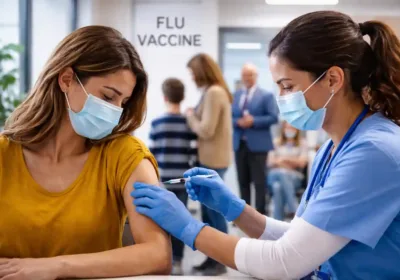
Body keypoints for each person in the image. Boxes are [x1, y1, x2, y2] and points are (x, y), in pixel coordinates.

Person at [131, 11, 400, 279]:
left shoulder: (374, 152)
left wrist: (189, 228)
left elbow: (285, 261)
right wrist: (236, 210)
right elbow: (301, 237)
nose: (282, 98)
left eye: (288, 86)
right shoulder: (333, 149)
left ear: (333, 79)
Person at [0, 26, 171, 279]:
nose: (115, 112)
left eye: (122, 102)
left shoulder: (125, 156)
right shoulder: (4, 155)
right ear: (66, 79)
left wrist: (55, 267)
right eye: (108, 96)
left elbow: (158, 255)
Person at [184, 53, 233, 275]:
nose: (192, 77)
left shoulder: (214, 92)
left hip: (214, 160)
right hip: (210, 159)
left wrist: (190, 116)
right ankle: (212, 257)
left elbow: (206, 129)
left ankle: (221, 260)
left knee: (214, 213)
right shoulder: (212, 92)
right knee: (207, 213)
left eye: (193, 72)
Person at [149, 78, 197, 275]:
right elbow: (193, 154)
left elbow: (151, 155)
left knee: (161, 221)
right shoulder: (189, 125)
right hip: (182, 179)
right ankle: (177, 261)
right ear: (183, 97)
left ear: (165, 97)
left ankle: (162, 259)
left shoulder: (157, 123)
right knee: (180, 219)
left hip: (163, 180)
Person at [232, 63, 278, 215]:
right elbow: (230, 118)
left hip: (259, 145)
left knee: (259, 182)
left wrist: (254, 121)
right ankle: (245, 216)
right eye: (244, 75)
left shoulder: (266, 96)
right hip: (240, 144)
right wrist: (238, 122)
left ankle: (261, 216)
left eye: (250, 75)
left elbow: (273, 117)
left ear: (256, 76)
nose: (247, 78)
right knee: (242, 181)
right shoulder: (237, 95)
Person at [267, 121, 308, 220]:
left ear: (297, 130)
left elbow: (302, 162)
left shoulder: (302, 143)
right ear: (283, 129)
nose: (289, 130)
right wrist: (292, 162)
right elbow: (270, 162)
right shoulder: (276, 142)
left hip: (295, 177)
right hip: (274, 175)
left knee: (278, 187)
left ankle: (278, 221)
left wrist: (283, 160)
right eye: (287, 128)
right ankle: (294, 209)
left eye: (292, 128)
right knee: (281, 174)